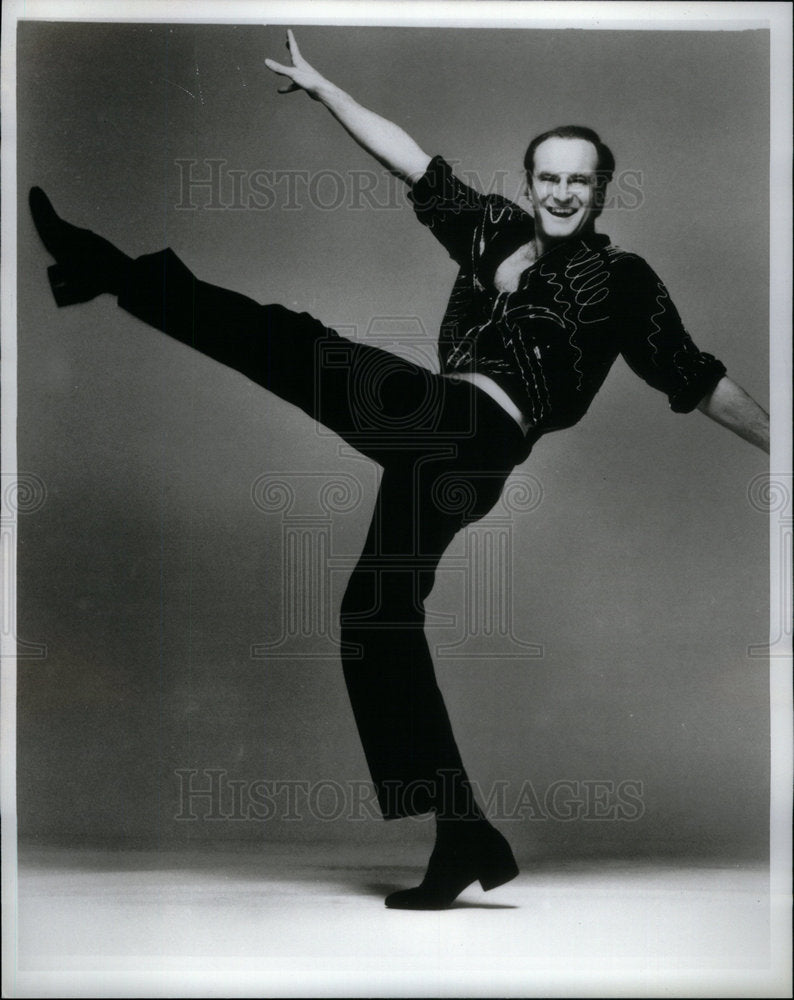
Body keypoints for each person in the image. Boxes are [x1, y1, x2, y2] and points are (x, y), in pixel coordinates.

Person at [28, 30, 769, 911]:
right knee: (373, 613)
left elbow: (700, 380)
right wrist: (325, 91)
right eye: (549, 177)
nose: (563, 191)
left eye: (581, 179)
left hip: (471, 435)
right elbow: (414, 163)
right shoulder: (492, 230)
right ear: (529, 185)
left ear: (601, 189)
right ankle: (463, 834)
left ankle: (108, 268)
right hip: (436, 441)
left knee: (301, 346)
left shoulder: (625, 281)